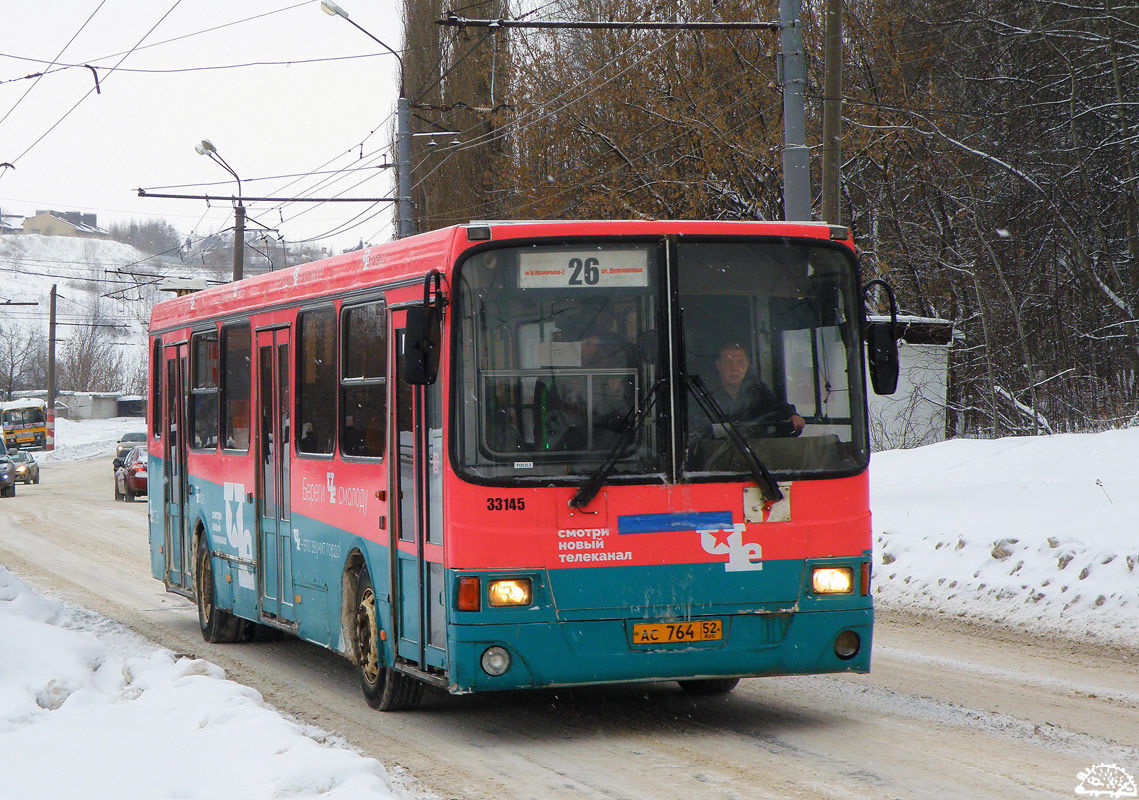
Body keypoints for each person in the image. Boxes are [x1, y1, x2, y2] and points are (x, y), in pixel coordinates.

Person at [704, 342, 805, 434]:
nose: (734, 368)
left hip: (752, 450)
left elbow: (776, 405)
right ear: (718, 365)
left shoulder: (757, 389)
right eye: (728, 362)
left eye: (740, 362)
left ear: (747, 364)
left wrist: (792, 415)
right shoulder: (704, 391)